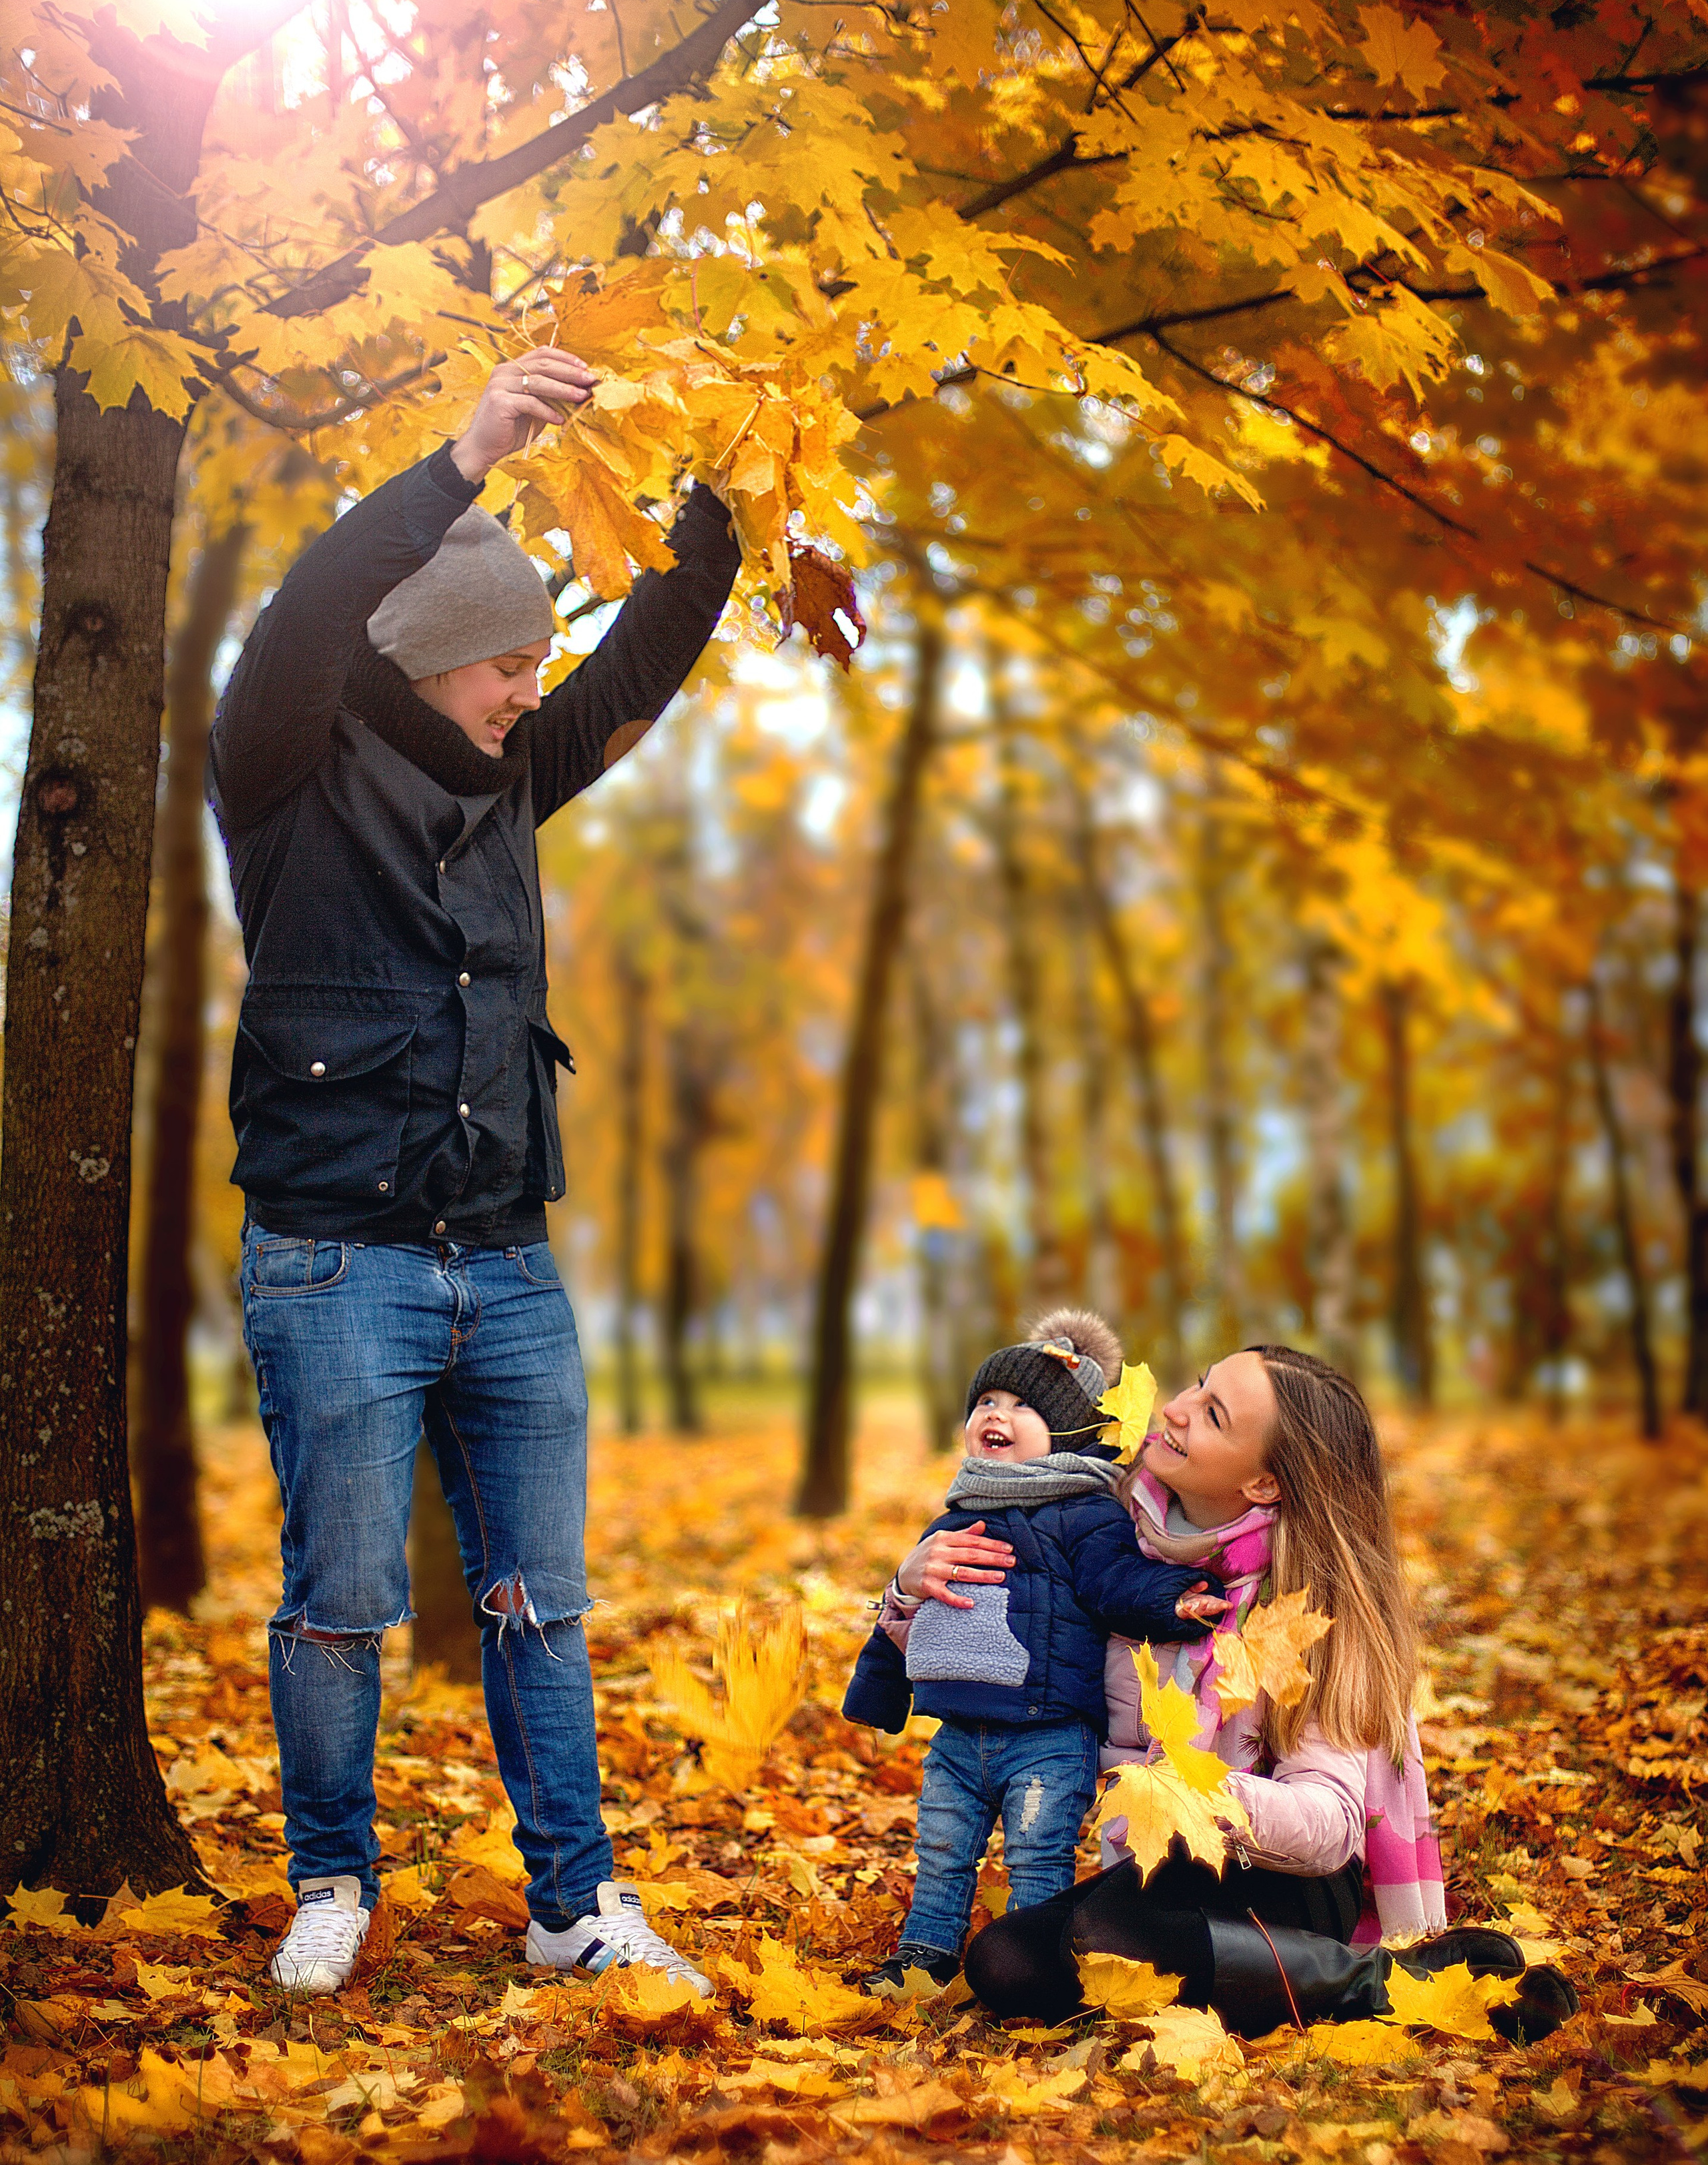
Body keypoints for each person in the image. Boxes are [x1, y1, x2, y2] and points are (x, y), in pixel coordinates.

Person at [209, 349, 741, 1996]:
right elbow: (305, 614)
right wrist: (459, 464)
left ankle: (573, 1902)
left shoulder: (510, 779)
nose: (532, 685)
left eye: (534, 658)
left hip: (503, 1258)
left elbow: (641, 653)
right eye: (508, 659)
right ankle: (330, 1880)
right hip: (335, 1260)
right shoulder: (285, 770)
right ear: (431, 660)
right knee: (342, 1603)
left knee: (542, 1607)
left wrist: (727, 508)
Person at [957, 1346, 1577, 2044]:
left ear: (1261, 1484)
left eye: (1212, 1414)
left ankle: (1384, 1981)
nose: (1175, 1408)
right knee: (1002, 1960)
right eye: (1197, 1386)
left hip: (1286, 1879)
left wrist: (1200, 1790)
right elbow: (1007, 1656)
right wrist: (910, 1590)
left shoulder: (1301, 1609)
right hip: (1171, 1869)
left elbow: (1331, 1825)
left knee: (1108, 1932)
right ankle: (1246, 1974)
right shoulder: (1114, 1548)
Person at [842, 1310, 1222, 1992]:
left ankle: (1034, 1955)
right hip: (957, 1733)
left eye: (1022, 1406)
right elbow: (909, 1618)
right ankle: (923, 1954)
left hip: (1047, 1735)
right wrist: (881, 1674)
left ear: (1069, 1432)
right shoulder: (955, 1516)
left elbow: (1115, 1581)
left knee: (1037, 1852)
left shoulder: (1084, 1513)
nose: (996, 1412)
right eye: (986, 1400)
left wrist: (1174, 1598)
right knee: (941, 1847)